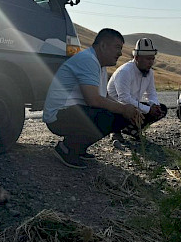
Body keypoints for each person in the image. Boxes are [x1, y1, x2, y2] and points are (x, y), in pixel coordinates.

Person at [43, 28, 143, 169]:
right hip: (58, 116)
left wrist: (128, 110)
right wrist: (124, 109)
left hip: (70, 112)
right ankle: (67, 149)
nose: (120, 53)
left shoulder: (99, 65)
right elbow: (93, 100)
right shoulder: (88, 60)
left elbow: (104, 96)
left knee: (118, 115)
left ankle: (79, 148)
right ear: (103, 46)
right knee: (107, 116)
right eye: (117, 47)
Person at [107, 37, 168, 146]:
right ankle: (115, 131)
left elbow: (151, 93)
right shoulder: (125, 71)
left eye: (152, 59)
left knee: (162, 109)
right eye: (148, 59)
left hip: (134, 106)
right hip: (116, 107)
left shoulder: (149, 72)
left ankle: (132, 129)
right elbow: (124, 99)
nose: (151, 62)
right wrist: (148, 109)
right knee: (127, 109)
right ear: (137, 58)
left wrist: (154, 105)